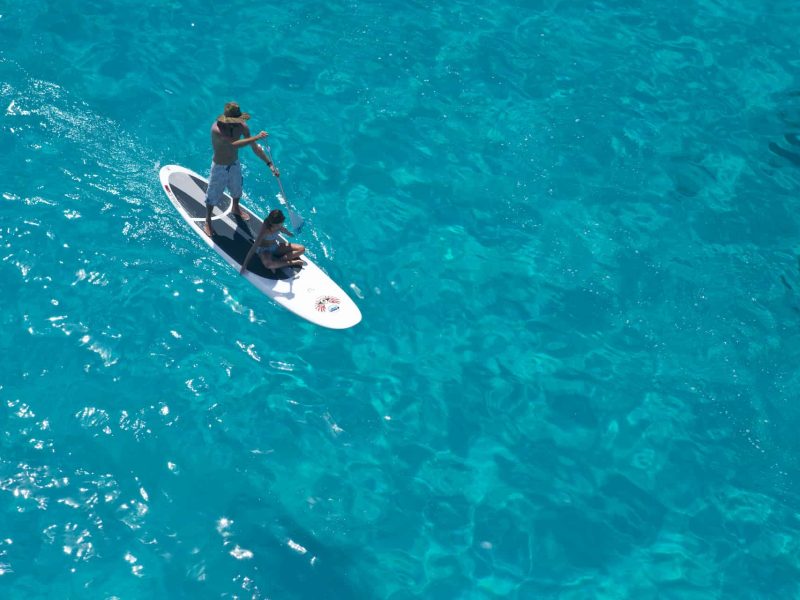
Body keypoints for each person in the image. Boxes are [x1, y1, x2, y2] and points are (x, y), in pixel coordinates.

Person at [203, 101, 280, 237]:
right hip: (219, 166)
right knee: (212, 195)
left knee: (237, 189)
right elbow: (234, 144)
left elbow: (254, 147)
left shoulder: (242, 127)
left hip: (234, 163)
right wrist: (256, 136)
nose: (239, 122)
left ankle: (235, 207)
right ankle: (208, 220)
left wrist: (270, 164)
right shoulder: (217, 129)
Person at [240, 209, 306, 273]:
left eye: (281, 223)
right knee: (269, 265)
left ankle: (279, 261)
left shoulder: (280, 225)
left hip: (276, 246)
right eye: (277, 225)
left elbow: (288, 233)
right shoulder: (265, 231)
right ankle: (291, 263)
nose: (280, 226)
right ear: (272, 223)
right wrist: (244, 265)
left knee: (302, 249)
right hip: (264, 250)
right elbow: (253, 248)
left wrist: (295, 232)